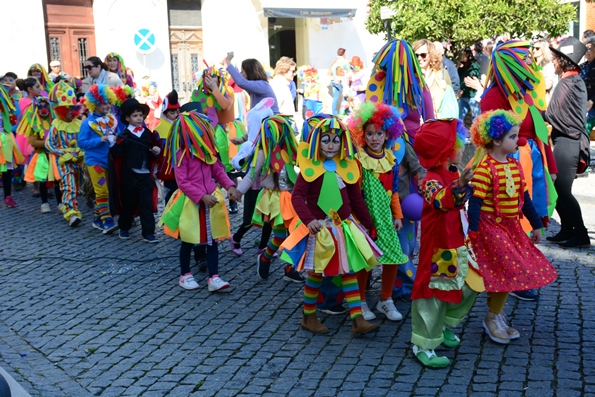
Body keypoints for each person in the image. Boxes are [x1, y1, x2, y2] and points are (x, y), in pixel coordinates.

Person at [280, 115, 381, 336]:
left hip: (342, 228)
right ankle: (308, 316)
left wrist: (368, 224)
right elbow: (297, 197)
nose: (330, 145)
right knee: (317, 273)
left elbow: (356, 200)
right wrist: (310, 220)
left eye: (335, 140)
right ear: (317, 141)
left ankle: (357, 319)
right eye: (325, 140)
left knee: (348, 272)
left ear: (342, 143)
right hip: (320, 229)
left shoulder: (347, 167)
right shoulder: (310, 167)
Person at [468, 110, 558, 344]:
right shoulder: (485, 169)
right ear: (496, 141)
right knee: (507, 270)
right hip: (491, 228)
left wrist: (536, 225)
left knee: (507, 271)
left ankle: (495, 314)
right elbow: (475, 203)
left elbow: (525, 199)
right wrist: (474, 231)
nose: (519, 141)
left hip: (511, 228)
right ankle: (492, 317)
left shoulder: (515, 166)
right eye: (512, 137)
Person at [480, 40, 559, 301]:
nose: (530, 62)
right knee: (513, 222)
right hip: (508, 166)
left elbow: (539, 130)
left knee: (529, 218)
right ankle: (512, 277)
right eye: (524, 58)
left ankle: (518, 273)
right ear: (510, 63)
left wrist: (550, 165)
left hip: (532, 165)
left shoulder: (524, 93)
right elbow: (489, 139)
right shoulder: (493, 97)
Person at [410, 118, 477, 368]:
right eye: (458, 146)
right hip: (437, 247)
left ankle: (444, 325)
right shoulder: (430, 179)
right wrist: (460, 185)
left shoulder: (452, 172)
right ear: (445, 153)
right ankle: (423, 343)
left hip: (455, 242)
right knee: (432, 292)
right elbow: (439, 200)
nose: (462, 149)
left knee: (463, 283)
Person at [159, 112, 241, 291]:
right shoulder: (181, 155)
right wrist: (201, 196)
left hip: (210, 201)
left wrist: (230, 187)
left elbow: (218, 171)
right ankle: (185, 274)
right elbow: (183, 183)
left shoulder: (207, 152)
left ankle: (214, 276)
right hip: (192, 203)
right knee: (189, 239)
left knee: (212, 240)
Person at [348, 102, 409, 321]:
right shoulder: (359, 161)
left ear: (387, 134)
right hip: (364, 219)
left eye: (379, 133)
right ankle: (361, 301)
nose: (375, 138)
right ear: (363, 135)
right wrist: (358, 220)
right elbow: (355, 193)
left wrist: (398, 215)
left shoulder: (391, 160)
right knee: (366, 261)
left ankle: (386, 299)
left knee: (392, 258)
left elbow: (393, 191)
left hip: (386, 219)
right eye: (370, 133)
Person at [236, 114, 303, 282]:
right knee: (280, 236)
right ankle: (265, 257)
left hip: (292, 198)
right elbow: (251, 175)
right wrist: (238, 191)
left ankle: (290, 269)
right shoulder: (262, 153)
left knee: (295, 234)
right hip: (275, 200)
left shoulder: (292, 150)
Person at [545, 37, 591, 248]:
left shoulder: (567, 82)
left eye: (555, 58)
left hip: (568, 142)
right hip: (568, 141)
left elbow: (555, 115)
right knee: (557, 188)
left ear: (563, 61)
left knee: (561, 190)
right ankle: (567, 228)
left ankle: (580, 234)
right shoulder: (574, 80)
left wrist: (536, 113)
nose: (553, 61)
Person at [111, 98, 160, 242]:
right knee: (128, 203)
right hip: (129, 175)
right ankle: (124, 227)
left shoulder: (147, 134)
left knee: (146, 204)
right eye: (135, 116)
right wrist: (113, 144)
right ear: (127, 118)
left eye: (140, 115)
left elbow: (152, 153)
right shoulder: (124, 136)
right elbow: (116, 155)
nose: (139, 118)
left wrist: (155, 151)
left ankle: (148, 233)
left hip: (145, 175)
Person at [78, 84, 119, 233]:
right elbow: (81, 143)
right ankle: (107, 221)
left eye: (108, 102)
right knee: (101, 191)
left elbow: (119, 136)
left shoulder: (112, 120)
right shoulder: (87, 123)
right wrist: (98, 140)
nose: (107, 106)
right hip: (94, 162)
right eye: (103, 102)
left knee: (106, 190)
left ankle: (97, 220)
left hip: (108, 161)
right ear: (95, 103)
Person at [45, 81, 85, 226]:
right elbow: (48, 144)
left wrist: (81, 151)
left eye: (72, 110)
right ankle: (71, 213)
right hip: (63, 161)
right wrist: (62, 153)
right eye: (67, 110)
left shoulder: (79, 123)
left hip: (79, 159)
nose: (70, 113)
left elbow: (83, 140)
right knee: (69, 185)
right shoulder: (56, 125)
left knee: (82, 185)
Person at [16, 95, 61, 213]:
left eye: (45, 107)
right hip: (41, 156)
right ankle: (44, 203)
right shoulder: (34, 125)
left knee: (57, 179)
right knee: (42, 180)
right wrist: (47, 143)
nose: (43, 110)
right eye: (40, 107)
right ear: (36, 110)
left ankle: (60, 203)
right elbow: (33, 141)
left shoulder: (54, 123)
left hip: (53, 156)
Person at [413, 39, 456, 118]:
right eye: (416, 55)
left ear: (431, 55)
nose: (419, 58)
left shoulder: (442, 74)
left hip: (438, 124)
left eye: (423, 55)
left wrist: (446, 88)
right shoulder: (411, 77)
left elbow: (450, 101)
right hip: (418, 125)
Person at [154, 90, 180, 204]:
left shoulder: (182, 126)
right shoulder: (158, 131)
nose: (176, 115)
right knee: (170, 199)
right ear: (165, 113)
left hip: (183, 169)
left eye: (177, 112)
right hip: (169, 172)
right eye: (172, 112)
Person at [0, 84, 23, 207]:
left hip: (5, 139)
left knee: (7, 169)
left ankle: (7, 196)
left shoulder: (6, 108)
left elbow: (12, 119)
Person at [457, 47, 481, 124]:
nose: (460, 57)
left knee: (476, 117)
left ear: (467, 55)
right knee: (460, 117)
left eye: (462, 55)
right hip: (463, 95)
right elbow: (458, 78)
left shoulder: (474, 65)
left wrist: (462, 89)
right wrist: (460, 68)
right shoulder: (463, 66)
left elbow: (470, 78)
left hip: (472, 95)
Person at [533, 39, 557, 105]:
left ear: (544, 50)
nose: (534, 50)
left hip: (543, 102)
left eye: (537, 48)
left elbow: (547, 85)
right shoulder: (532, 64)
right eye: (533, 48)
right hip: (532, 100)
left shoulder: (549, 65)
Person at [581, 37, 595, 136]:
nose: (587, 52)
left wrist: (592, 101)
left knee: (585, 129)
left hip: (592, 106)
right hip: (583, 106)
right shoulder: (582, 66)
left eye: (589, 49)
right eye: (585, 49)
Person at [329, 48, 348, 116]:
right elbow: (334, 68)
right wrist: (335, 77)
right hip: (339, 80)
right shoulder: (341, 59)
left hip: (333, 81)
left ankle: (334, 113)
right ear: (343, 53)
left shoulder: (336, 59)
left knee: (336, 97)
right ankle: (345, 111)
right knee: (346, 95)